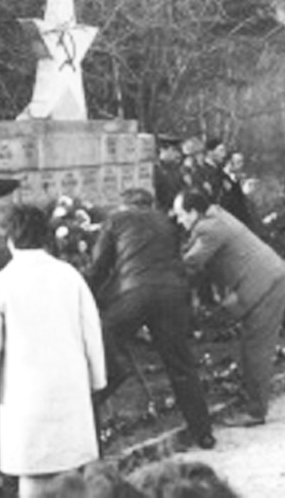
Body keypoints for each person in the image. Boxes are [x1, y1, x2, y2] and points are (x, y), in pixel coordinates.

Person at [0, 204, 106, 498]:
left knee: (33, 472)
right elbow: (92, 332)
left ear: (10, 240)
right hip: (69, 388)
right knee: (71, 470)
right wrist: (97, 380)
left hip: (24, 394)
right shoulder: (70, 277)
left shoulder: (0, 284)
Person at [89, 188, 215, 450]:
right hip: (172, 295)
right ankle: (203, 432)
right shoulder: (166, 222)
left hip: (135, 294)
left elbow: (100, 266)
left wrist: (88, 296)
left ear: (125, 205)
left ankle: (112, 379)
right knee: (180, 364)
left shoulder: (116, 220)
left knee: (103, 337)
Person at [174, 188, 285, 427]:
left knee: (256, 347)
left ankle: (255, 411)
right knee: (250, 342)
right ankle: (251, 397)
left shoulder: (210, 228)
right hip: (262, 279)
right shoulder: (213, 216)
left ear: (194, 212)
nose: (178, 220)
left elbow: (191, 262)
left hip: (265, 283)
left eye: (180, 214)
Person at [153, 134, 185, 214]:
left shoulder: (176, 169)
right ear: (163, 150)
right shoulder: (155, 170)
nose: (177, 155)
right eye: (173, 150)